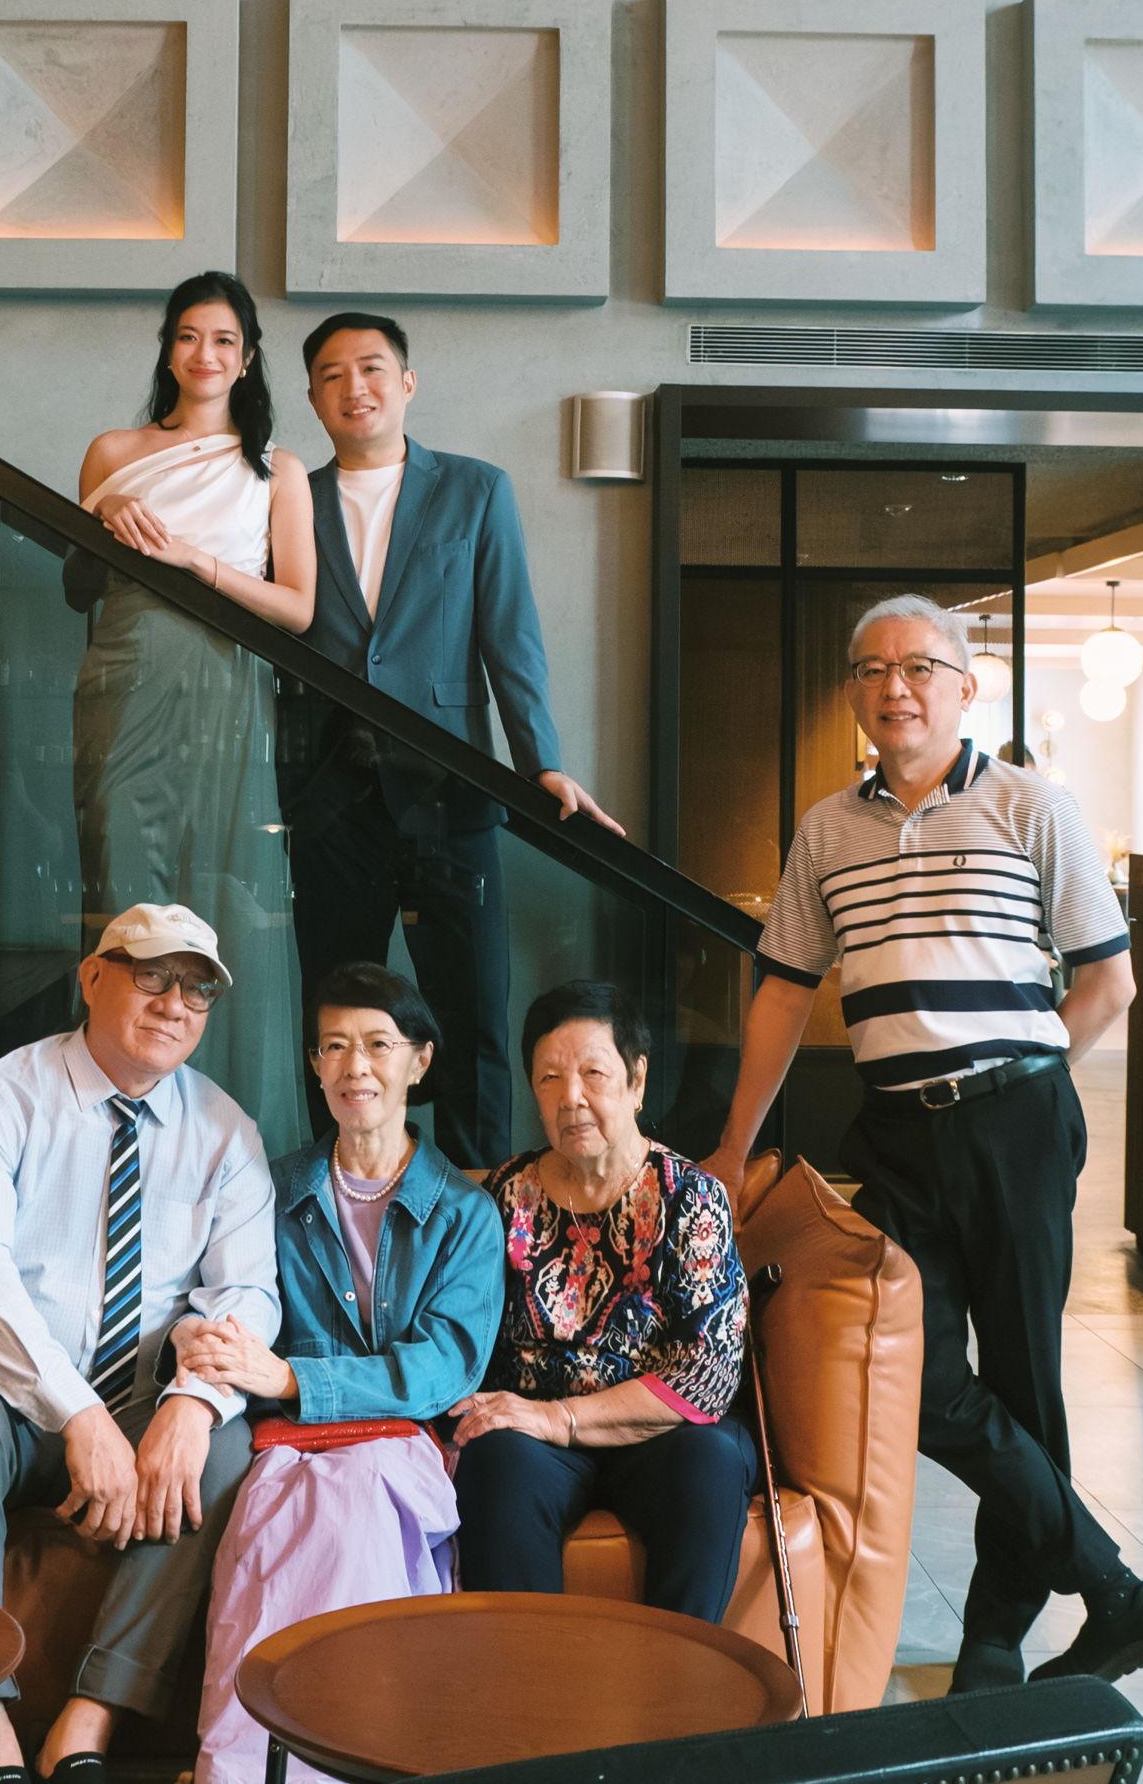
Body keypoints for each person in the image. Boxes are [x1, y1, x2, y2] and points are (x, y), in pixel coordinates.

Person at [705, 594, 1143, 1692]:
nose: (896, 686)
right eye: (872, 668)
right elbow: (783, 992)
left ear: (965, 687)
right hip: (893, 1134)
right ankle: (1115, 1590)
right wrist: (733, 1145)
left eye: (919, 665)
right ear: (852, 692)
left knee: (1022, 1378)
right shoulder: (826, 831)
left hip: (1016, 1124)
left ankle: (994, 1636)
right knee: (917, 1371)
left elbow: (1109, 979)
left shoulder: (1031, 804)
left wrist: (1025, 1074)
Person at [0, 903, 279, 1784]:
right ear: (93, 978)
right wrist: (77, 1414)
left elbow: (248, 1293)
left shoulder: (226, 1131)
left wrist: (191, 1405)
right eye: (153, 977)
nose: (174, 1004)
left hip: (137, 1398)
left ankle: (90, 1719)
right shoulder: (0, 1096)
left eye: (197, 990)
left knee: (224, 1449)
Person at [280, 311, 620, 1170]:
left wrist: (541, 763)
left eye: (371, 368)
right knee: (334, 1017)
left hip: (450, 789)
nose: (354, 387)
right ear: (312, 396)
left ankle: (484, 1199)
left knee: (470, 1015)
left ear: (406, 383)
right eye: (331, 375)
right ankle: (337, 1196)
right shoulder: (291, 499)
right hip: (329, 796)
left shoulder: (475, 490)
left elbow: (512, 637)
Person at [178, 963, 505, 1784]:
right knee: (267, 1528)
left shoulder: (465, 1212)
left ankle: (356, 1756)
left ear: (419, 1062)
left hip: (400, 1442)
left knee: (355, 1506)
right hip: (288, 1447)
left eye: (377, 1045)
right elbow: (223, 1294)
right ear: (315, 1065)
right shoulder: (272, 1190)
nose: (355, 1067)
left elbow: (445, 1364)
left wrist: (293, 1380)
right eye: (333, 1047)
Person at [68, 271, 314, 1150]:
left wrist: (194, 562)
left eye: (223, 341)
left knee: (218, 888)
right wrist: (106, 515)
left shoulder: (276, 468)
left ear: (246, 360)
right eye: (188, 336)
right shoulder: (113, 451)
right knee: (120, 878)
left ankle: (218, 1129)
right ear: (167, 349)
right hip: (125, 672)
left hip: (222, 682)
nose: (204, 354)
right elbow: (76, 586)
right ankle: (114, 1119)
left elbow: (298, 608)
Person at [451, 980, 755, 1622]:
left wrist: (561, 1417)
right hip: (533, 1442)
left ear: (637, 1080)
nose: (571, 1097)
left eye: (593, 1073)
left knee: (712, 1460)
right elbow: (466, 1335)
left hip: (658, 1435)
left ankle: (677, 1678)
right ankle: (526, 1683)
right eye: (549, 1078)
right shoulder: (504, 1196)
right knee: (493, 1459)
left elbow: (706, 1374)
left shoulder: (690, 1198)